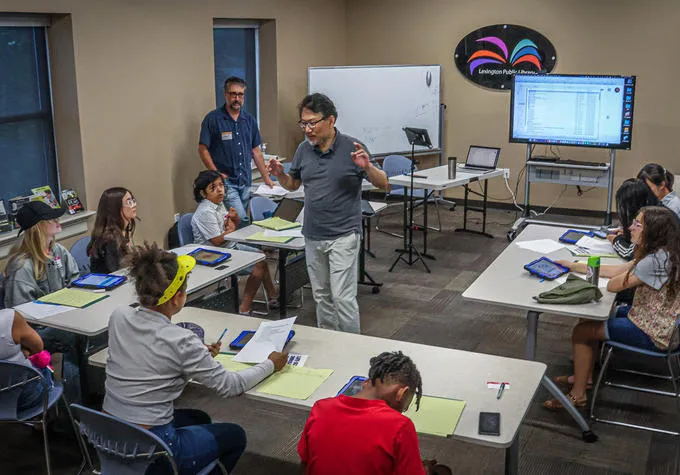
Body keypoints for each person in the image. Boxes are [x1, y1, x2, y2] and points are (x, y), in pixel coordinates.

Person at [103, 243, 288, 474]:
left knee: (198, 417)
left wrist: (194, 356)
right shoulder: (181, 341)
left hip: (109, 434)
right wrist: (271, 364)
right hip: (153, 447)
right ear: (176, 298)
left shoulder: (119, 316)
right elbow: (232, 386)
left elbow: (150, 358)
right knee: (236, 435)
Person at [545, 206, 680, 410]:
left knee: (581, 331)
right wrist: (575, 265)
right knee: (588, 317)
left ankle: (577, 395)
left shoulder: (652, 261)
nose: (630, 227)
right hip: (655, 318)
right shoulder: (663, 253)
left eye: (638, 224)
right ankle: (584, 377)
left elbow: (613, 284)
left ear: (653, 231)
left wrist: (633, 263)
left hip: (653, 332)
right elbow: (617, 269)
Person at [267, 93, 389, 333]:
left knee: (342, 298)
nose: (307, 129)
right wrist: (280, 174)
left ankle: (352, 346)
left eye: (313, 123)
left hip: (343, 234)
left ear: (331, 121)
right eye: (303, 123)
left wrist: (368, 167)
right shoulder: (303, 149)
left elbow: (383, 183)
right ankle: (329, 343)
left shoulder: (353, 147)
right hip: (313, 234)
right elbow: (294, 185)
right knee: (321, 296)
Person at [298, 351, 450, 475]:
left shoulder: (321, 408)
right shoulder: (400, 427)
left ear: (367, 382)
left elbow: (305, 461)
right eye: (404, 407)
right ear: (401, 394)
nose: (402, 411)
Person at [3, 201, 82, 402]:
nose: (57, 220)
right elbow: (20, 317)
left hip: (66, 316)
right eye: (51, 218)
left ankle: (85, 395)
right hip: (36, 332)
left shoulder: (59, 251)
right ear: (38, 227)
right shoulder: (22, 267)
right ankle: (73, 409)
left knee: (84, 337)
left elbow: (76, 282)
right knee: (75, 338)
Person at [191, 170, 278, 315]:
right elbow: (218, 240)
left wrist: (235, 219)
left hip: (228, 246)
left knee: (261, 256)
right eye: (213, 187)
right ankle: (244, 307)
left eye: (221, 185)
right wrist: (231, 228)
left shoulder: (218, 204)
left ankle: (272, 296)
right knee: (259, 263)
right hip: (212, 254)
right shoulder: (206, 211)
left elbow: (229, 229)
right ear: (203, 193)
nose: (220, 190)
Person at [198, 76, 274, 225]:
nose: (237, 98)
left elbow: (256, 151)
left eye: (240, 95)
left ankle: (237, 246)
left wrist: (266, 178)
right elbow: (202, 149)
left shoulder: (249, 120)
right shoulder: (213, 119)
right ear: (226, 95)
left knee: (236, 219)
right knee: (242, 219)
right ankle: (248, 248)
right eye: (233, 94)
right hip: (226, 182)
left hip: (245, 180)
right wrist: (216, 173)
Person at [0, 308, 54, 411]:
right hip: (26, 399)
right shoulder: (10, 318)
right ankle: (46, 421)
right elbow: (38, 347)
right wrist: (23, 350)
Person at [638, 163, 680, 248]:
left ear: (662, 185)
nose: (643, 192)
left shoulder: (673, 207)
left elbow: (670, 242)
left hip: (679, 250)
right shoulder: (659, 201)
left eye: (647, 188)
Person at [87, 187, 138, 273]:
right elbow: (115, 272)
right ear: (115, 208)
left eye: (133, 200)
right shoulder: (109, 239)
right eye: (129, 202)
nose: (134, 205)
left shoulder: (124, 230)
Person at [608, 178, 659, 260]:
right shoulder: (653, 210)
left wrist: (615, 239)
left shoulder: (649, 221)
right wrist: (628, 234)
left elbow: (630, 253)